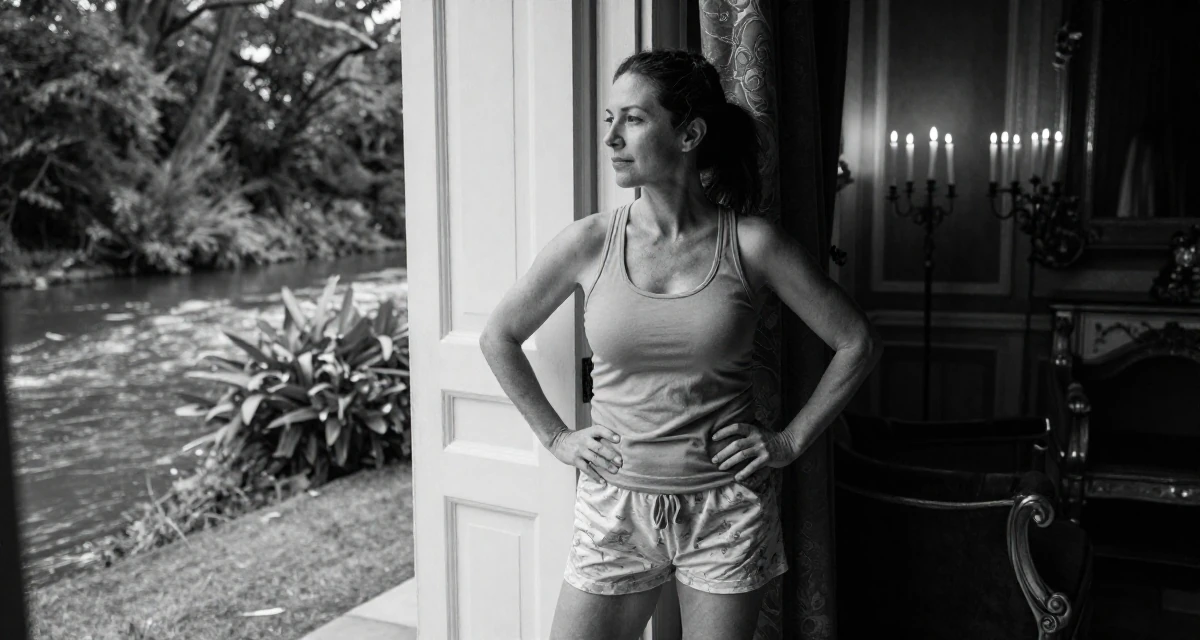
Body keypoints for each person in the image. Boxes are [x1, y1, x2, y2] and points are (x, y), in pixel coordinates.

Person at [480, 48, 881, 640]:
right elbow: (498, 337)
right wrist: (558, 438)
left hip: (726, 509)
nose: (611, 137)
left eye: (634, 119)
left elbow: (856, 342)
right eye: (609, 118)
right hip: (615, 506)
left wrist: (789, 441)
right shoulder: (590, 241)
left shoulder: (753, 244)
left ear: (689, 133)